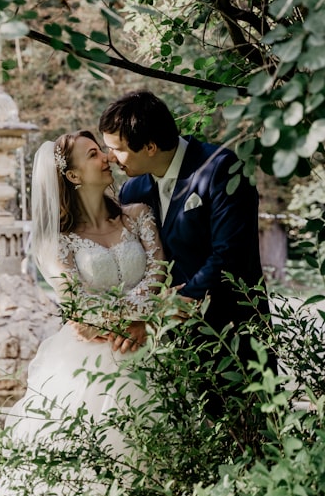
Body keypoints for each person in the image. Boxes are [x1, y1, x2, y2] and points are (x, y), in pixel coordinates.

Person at [0, 130, 166, 496]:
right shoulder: (57, 240)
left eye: (103, 150)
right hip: (88, 364)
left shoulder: (138, 216)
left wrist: (140, 322)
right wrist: (126, 322)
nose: (106, 157)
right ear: (72, 175)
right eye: (93, 154)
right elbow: (77, 308)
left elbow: (158, 275)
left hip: (153, 346)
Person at [99, 90, 273, 405]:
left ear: (150, 147)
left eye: (117, 149)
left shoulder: (221, 168)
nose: (110, 158)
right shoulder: (132, 191)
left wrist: (160, 314)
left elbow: (229, 255)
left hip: (232, 337)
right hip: (164, 352)